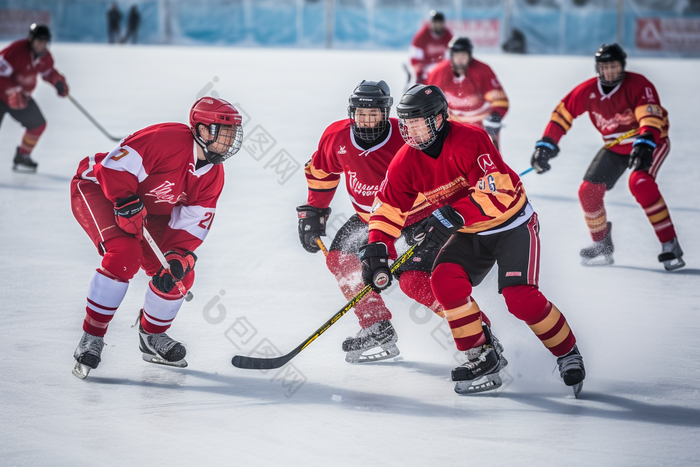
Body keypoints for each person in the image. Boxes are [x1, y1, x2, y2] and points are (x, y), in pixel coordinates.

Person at [359, 84, 585, 396]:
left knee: (519, 298)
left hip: (512, 224)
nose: (410, 131)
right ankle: (482, 354)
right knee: (444, 281)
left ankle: (567, 352)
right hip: (469, 231)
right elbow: (388, 207)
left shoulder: (471, 139)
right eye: (406, 123)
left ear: (438, 120)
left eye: (417, 123)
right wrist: (377, 247)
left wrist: (454, 214)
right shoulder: (405, 160)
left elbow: (500, 192)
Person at [70, 97, 243, 379]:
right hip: (100, 189)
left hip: (148, 209)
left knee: (178, 273)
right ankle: (92, 337)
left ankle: (152, 335)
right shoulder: (166, 139)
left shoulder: (213, 174)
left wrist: (177, 254)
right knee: (124, 257)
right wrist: (124, 200)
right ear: (200, 130)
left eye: (232, 134)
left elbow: (191, 223)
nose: (229, 141)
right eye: (223, 133)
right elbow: (111, 167)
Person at [297, 80, 444, 364]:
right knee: (340, 259)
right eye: (360, 114)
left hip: (416, 215)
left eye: (374, 114)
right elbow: (321, 173)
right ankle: (376, 325)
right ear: (351, 112)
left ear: (386, 112)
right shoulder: (336, 136)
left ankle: (476, 330)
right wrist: (314, 212)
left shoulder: (406, 137)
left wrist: (441, 212)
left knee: (417, 282)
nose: (366, 120)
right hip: (369, 216)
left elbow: (440, 172)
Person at [531, 43, 684, 271]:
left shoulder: (639, 85)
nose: (610, 72)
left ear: (622, 66)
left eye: (615, 66)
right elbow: (562, 115)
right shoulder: (588, 91)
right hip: (615, 147)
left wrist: (645, 144)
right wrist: (546, 145)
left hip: (649, 142)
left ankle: (670, 243)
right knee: (588, 192)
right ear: (597, 68)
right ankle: (602, 244)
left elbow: (650, 118)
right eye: (605, 67)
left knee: (640, 182)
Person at [0, 24, 69, 172]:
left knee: (37, 124)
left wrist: (58, 82)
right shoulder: (16, 50)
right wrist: (13, 91)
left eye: (45, 42)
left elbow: (48, 72)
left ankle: (23, 157)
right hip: (2, 95)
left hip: (20, 98)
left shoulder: (45, 57)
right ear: (31, 39)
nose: (42, 45)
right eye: (39, 41)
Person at [425, 36, 509, 149]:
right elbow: (428, 101)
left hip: (481, 127)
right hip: (450, 127)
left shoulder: (483, 71)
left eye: (463, 55)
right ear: (451, 55)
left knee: (487, 161)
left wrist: (495, 116)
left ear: (469, 55)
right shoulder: (438, 72)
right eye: (457, 55)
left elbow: (500, 100)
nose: (460, 59)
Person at [409, 10, 453, 85]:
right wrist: (419, 72)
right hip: (425, 69)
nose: (437, 25)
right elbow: (415, 57)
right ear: (431, 23)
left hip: (441, 69)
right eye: (435, 23)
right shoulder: (422, 35)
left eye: (440, 23)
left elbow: (450, 57)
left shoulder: (448, 35)